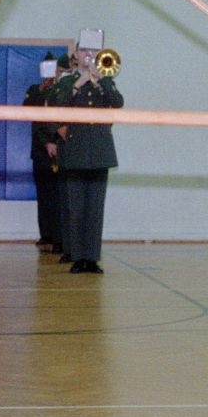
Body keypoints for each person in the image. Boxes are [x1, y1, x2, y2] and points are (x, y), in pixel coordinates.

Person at [48, 29, 121, 274]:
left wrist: (100, 81)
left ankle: (92, 257)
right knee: (76, 207)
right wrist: (79, 84)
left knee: (95, 208)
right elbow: (58, 106)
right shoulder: (67, 81)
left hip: (99, 150)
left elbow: (118, 102)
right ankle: (78, 256)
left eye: (93, 51)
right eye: (85, 51)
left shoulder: (106, 79)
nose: (89, 55)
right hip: (75, 150)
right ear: (76, 55)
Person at [24, 51, 64, 255]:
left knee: (58, 196)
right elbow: (28, 111)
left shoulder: (61, 91)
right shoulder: (35, 90)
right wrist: (42, 89)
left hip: (58, 149)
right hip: (39, 151)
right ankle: (46, 234)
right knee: (44, 196)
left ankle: (59, 237)